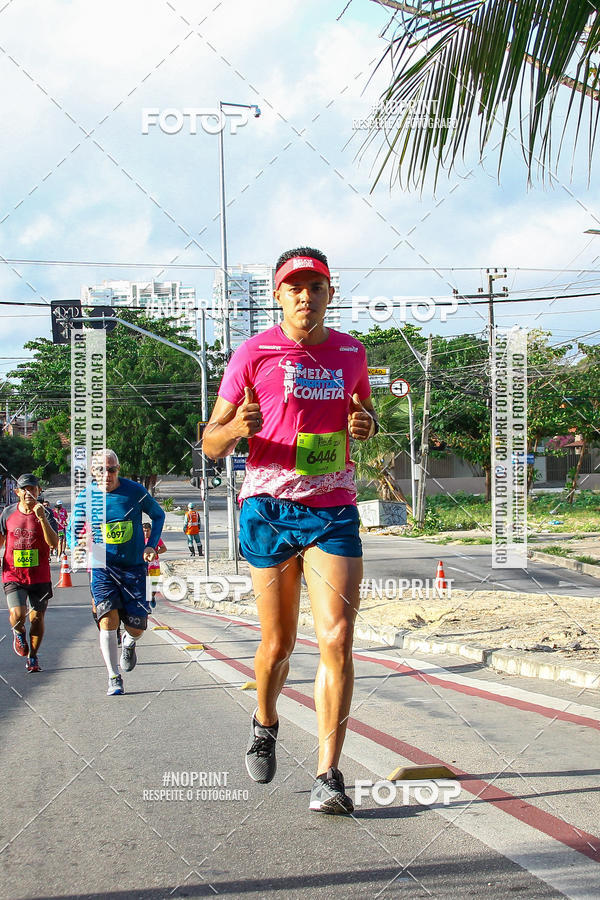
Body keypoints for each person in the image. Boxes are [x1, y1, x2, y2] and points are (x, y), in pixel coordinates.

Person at [203, 247, 377, 815]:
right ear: (278, 294)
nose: (306, 296)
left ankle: (328, 774)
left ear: (330, 293)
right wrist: (234, 427)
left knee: (338, 637)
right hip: (269, 507)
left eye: (316, 286)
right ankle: (266, 720)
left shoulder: (353, 353)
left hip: (333, 506)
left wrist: (366, 423)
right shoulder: (252, 353)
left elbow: (363, 414)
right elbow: (208, 443)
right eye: (294, 287)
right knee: (277, 644)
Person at [70, 449, 165, 696]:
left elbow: (158, 514)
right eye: (101, 470)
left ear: (118, 470)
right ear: (93, 472)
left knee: (137, 628)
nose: (107, 474)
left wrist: (150, 544)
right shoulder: (85, 497)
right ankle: (114, 676)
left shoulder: (134, 491)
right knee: (107, 620)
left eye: (112, 469)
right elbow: (73, 529)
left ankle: (129, 643)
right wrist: (76, 544)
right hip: (101, 564)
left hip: (134, 566)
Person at [0, 473, 58, 672]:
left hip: (39, 576)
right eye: (24, 489)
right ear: (17, 492)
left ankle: (33, 657)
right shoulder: (7, 513)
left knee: (37, 618)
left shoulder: (47, 513)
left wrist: (42, 518)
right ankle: (18, 631)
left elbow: (54, 544)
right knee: (18, 614)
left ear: (38, 491)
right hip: (13, 575)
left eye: (32, 489)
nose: (28, 493)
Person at [143, 521, 166, 608]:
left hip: (154, 565)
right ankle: (146, 605)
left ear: (151, 531)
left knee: (153, 585)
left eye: (147, 531)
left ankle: (152, 596)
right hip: (143, 565)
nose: (145, 533)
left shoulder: (155, 539)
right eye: (144, 531)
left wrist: (156, 552)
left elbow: (164, 548)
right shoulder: (139, 540)